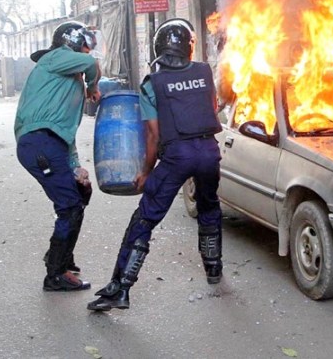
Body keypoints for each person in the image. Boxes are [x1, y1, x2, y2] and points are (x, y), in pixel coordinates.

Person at [88, 18, 223, 312]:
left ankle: (120, 288)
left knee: (145, 219)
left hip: (177, 155)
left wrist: (146, 172)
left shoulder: (153, 84)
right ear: (189, 47)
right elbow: (210, 109)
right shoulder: (204, 72)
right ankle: (213, 269)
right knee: (209, 207)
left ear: (158, 48)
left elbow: (153, 134)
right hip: (209, 152)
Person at [14, 21, 101, 292]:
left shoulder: (66, 80)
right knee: (70, 206)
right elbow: (92, 66)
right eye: (83, 48)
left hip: (50, 143)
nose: (85, 54)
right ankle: (55, 273)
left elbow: (65, 132)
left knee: (80, 192)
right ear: (72, 43)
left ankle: (61, 258)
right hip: (40, 143)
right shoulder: (55, 58)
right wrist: (92, 86)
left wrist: (75, 167)